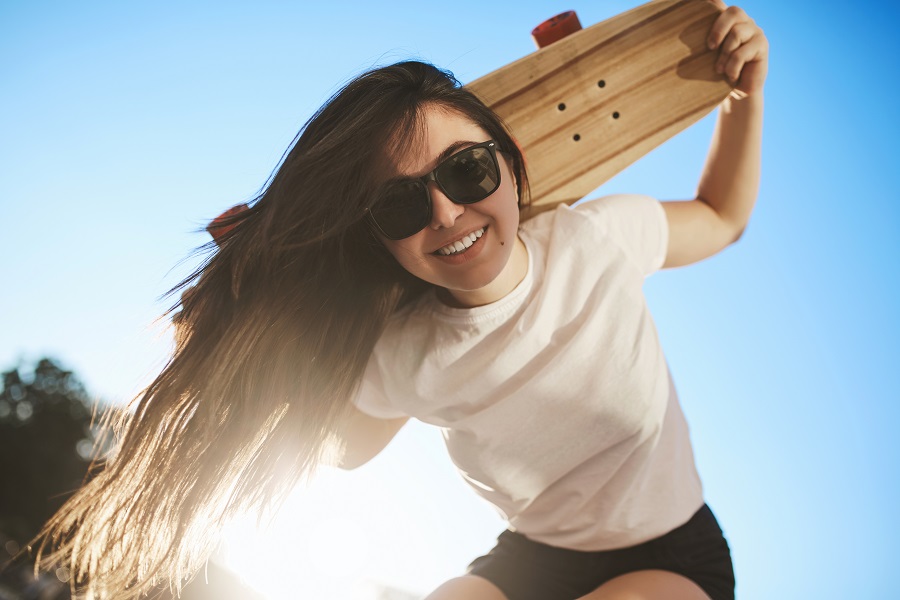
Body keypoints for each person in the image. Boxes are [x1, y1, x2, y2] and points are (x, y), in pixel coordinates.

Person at [35, 3, 767, 599]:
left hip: (671, 551)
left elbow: (723, 217)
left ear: (510, 168)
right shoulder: (401, 350)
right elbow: (340, 450)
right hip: (531, 561)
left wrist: (746, 91)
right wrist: (237, 334)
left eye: (468, 169)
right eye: (400, 207)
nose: (445, 213)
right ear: (379, 240)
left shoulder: (598, 240)